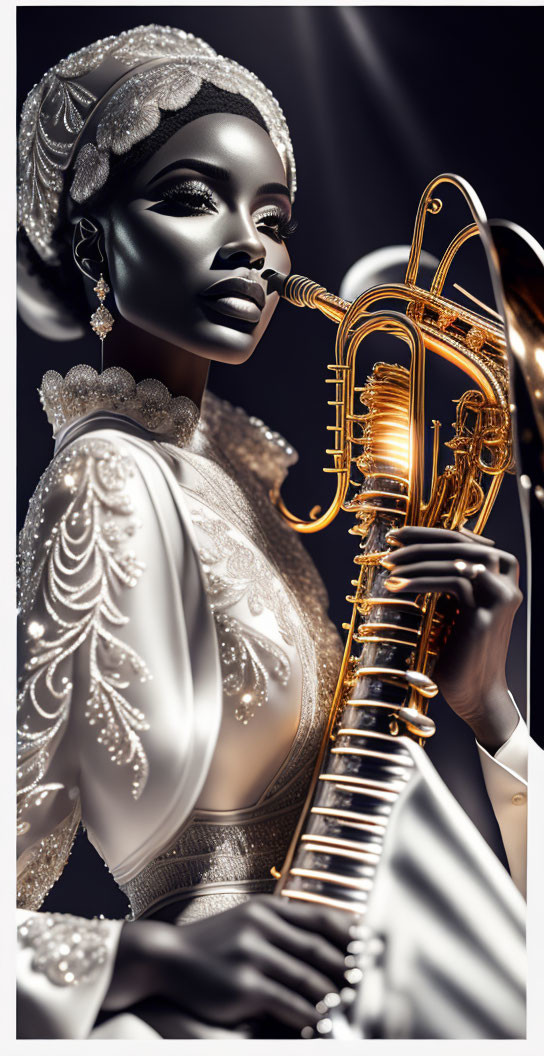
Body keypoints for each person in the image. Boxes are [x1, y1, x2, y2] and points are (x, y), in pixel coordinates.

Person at [16, 24, 528, 1040]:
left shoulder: (236, 490)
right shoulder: (107, 477)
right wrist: (143, 956)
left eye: (273, 214)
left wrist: (485, 711)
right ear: (90, 248)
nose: (251, 245)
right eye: (192, 199)